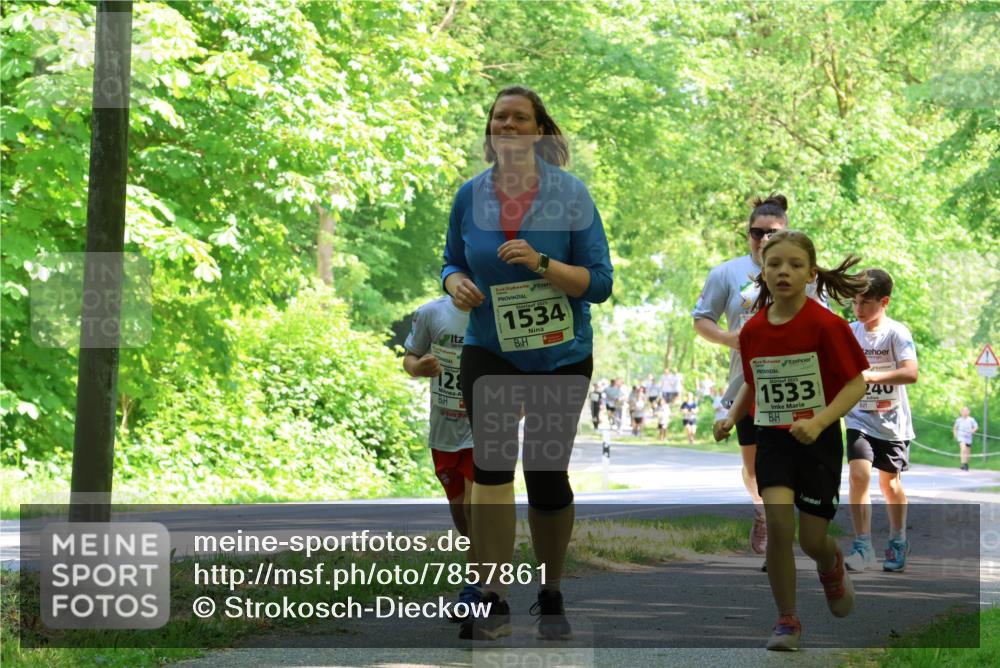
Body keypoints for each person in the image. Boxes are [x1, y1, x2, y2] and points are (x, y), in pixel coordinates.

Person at [442, 85, 613, 641]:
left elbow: (600, 283)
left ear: (540, 130)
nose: (507, 126)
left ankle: (551, 590)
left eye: (519, 118)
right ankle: (489, 597)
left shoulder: (570, 194)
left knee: (543, 476)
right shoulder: (470, 195)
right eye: (499, 118)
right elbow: (448, 260)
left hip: (559, 355)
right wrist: (456, 283)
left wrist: (543, 263)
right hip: (489, 347)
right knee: (490, 469)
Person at [713, 230, 869, 651]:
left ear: (810, 273)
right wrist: (731, 415)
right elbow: (752, 379)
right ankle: (787, 621)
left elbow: (856, 385)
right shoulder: (754, 330)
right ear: (761, 272)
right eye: (775, 263)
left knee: (811, 539)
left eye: (795, 265)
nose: (784, 271)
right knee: (780, 527)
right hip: (774, 440)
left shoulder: (827, 325)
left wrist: (819, 422)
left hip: (817, 441)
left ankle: (831, 562)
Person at [692, 194, 792, 558]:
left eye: (774, 232)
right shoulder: (727, 273)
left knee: (784, 460)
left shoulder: (800, 268)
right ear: (748, 234)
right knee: (752, 464)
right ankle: (762, 509)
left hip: (791, 382)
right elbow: (701, 319)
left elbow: (822, 317)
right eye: (757, 232)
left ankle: (781, 526)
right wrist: (730, 338)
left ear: (788, 231)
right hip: (746, 381)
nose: (764, 239)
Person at [402, 296, 480, 616]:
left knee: (478, 510)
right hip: (445, 432)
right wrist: (419, 367)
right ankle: (489, 548)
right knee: (461, 510)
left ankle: (473, 590)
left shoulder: (494, 309)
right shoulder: (432, 313)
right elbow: (409, 358)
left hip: (484, 428)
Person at [843, 269, 919, 573]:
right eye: (854, 303)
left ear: (884, 301)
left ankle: (898, 540)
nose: (858, 309)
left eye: (865, 303)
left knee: (890, 484)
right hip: (858, 416)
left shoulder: (897, 333)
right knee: (858, 475)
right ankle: (862, 546)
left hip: (892, 422)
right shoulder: (850, 331)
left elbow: (910, 373)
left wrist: (872, 376)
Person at [954, 406, 979, 471]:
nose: (965, 412)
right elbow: (955, 428)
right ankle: (963, 464)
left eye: (966, 411)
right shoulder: (958, 420)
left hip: (968, 437)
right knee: (963, 449)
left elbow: (976, 427)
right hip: (961, 437)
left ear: (969, 412)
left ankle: (966, 464)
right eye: (963, 411)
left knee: (967, 452)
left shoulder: (971, 419)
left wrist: (972, 431)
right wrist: (955, 435)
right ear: (961, 412)